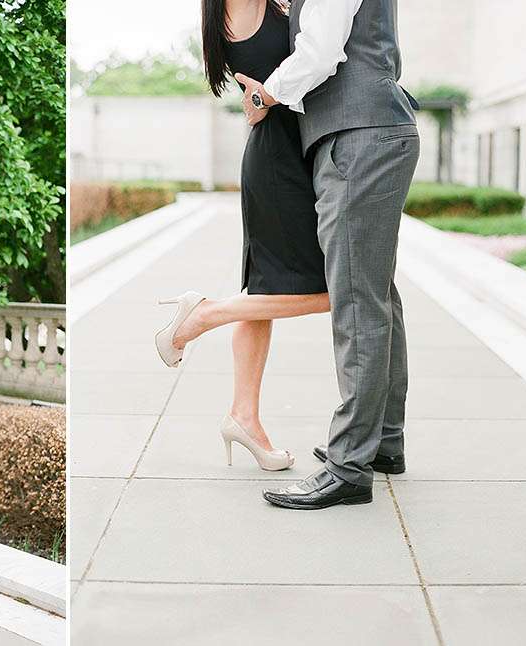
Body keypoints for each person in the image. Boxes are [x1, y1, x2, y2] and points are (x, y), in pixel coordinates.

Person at [235, 0, 420, 509]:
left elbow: (321, 51)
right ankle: (382, 441)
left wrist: (267, 94)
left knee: (357, 298)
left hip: (358, 137)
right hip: (370, 132)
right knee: (376, 290)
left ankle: (348, 466)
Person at [155, 0, 330, 472]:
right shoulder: (240, 9)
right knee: (330, 292)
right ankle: (204, 315)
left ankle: (243, 417)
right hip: (279, 162)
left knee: (263, 294)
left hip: (288, 154)